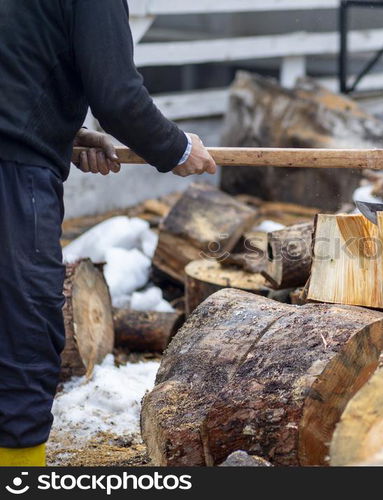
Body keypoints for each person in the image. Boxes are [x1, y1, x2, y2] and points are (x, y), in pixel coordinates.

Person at [0, 0, 217, 466]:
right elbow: (118, 98)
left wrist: (63, 130)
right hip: (12, 173)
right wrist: (176, 148)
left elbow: (16, 61)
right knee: (23, 333)